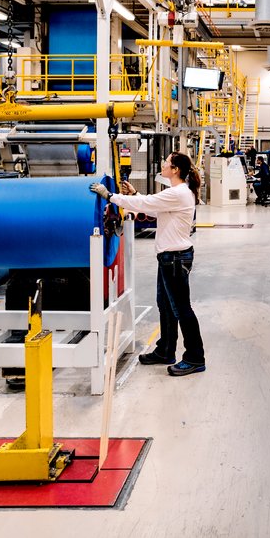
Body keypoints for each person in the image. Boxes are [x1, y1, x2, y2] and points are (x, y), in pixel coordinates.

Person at [90, 152, 205, 377]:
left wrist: (110, 196)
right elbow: (152, 208)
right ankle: (166, 350)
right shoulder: (176, 194)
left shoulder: (178, 193)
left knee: (182, 309)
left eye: (166, 162)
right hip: (169, 258)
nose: (163, 164)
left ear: (175, 170)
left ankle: (195, 357)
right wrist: (134, 193)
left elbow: (146, 204)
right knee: (165, 305)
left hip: (175, 259)